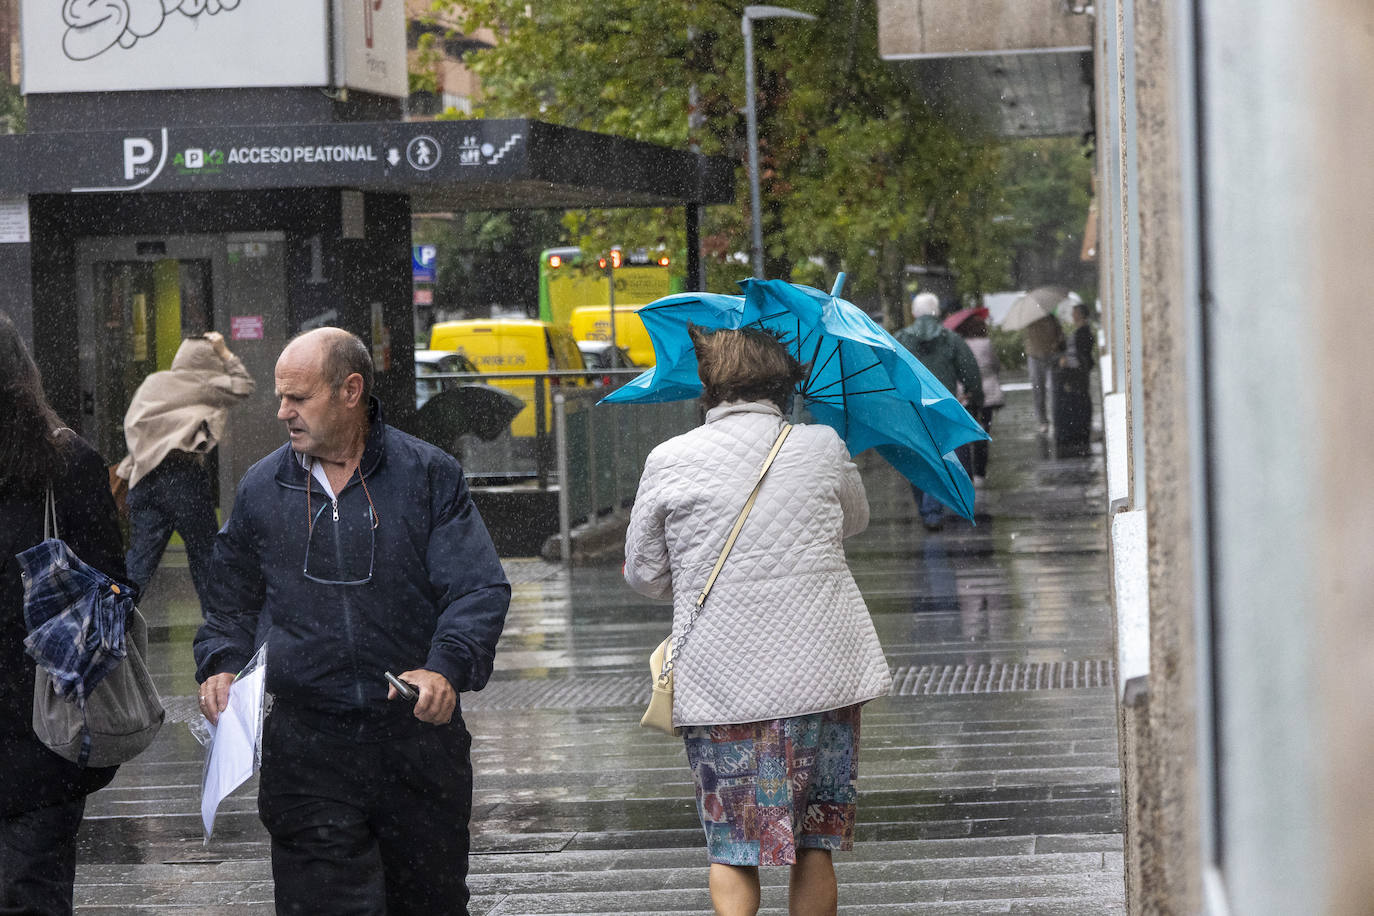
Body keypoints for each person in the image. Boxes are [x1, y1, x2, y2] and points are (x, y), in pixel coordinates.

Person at [193, 327, 510, 915]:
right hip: (307, 748)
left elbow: (477, 587)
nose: (283, 412)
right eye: (281, 397)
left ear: (350, 390)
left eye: (298, 397)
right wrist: (222, 664)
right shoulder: (263, 486)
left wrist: (446, 667)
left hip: (415, 743)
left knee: (430, 902)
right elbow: (229, 601)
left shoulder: (427, 474)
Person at [624, 327, 892, 916]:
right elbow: (854, 520)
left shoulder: (669, 458)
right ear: (784, 383)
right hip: (823, 677)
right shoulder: (821, 444)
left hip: (722, 682)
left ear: (708, 384)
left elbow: (643, 574)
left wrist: (690, 572)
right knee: (815, 841)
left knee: (732, 846)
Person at [0, 313, 128, 915]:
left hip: (40, 734)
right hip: (42, 733)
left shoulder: (66, 463)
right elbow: (117, 589)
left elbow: (115, 590)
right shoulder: (68, 462)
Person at [118, 331, 255, 612]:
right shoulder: (205, 383)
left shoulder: (154, 382)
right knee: (206, 557)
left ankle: (114, 620)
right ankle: (218, 623)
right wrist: (225, 353)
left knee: (139, 563)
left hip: (144, 477)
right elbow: (244, 385)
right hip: (183, 478)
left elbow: (135, 425)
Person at [894, 293, 983, 530]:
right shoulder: (951, 340)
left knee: (920, 458)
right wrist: (975, 400)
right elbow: (971, 374)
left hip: (913, 409)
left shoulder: (900, 340)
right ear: (937, 313)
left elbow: (888, 372)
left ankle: (927, 510)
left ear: (914, 313)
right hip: (943, 408)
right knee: (943, 456)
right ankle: (934, 507)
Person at [950, 310, 1004, 485]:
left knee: (966, 433)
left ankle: (967, 472)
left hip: (965, 394)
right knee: (983, 432)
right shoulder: (987, 344)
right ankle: (980, 473)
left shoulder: (960, 344)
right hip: (987, 393)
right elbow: (996, 364)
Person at [1055, 303, 1097, 456]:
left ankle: (1078, 433)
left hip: (1076, 375)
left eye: (1074, 313)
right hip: (1074, 373)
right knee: (1076, 401)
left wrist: (1068, 362)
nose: (1072, 316)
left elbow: (1082, 355)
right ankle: (1077, 432)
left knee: (1078, 401)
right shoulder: (1080, 331)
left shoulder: (1083, 332)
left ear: (1080, 314)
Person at [1022, 313, 1065, 434]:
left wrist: (1057, 343)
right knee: (1038, 390)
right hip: (1035, 357)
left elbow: (1060, 335)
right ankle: (1043, 421)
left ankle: (1056, 418)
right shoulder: (1029, 319)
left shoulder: (1052, 319)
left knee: (1053, 389)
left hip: (1051, 356)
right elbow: (1028, 339)